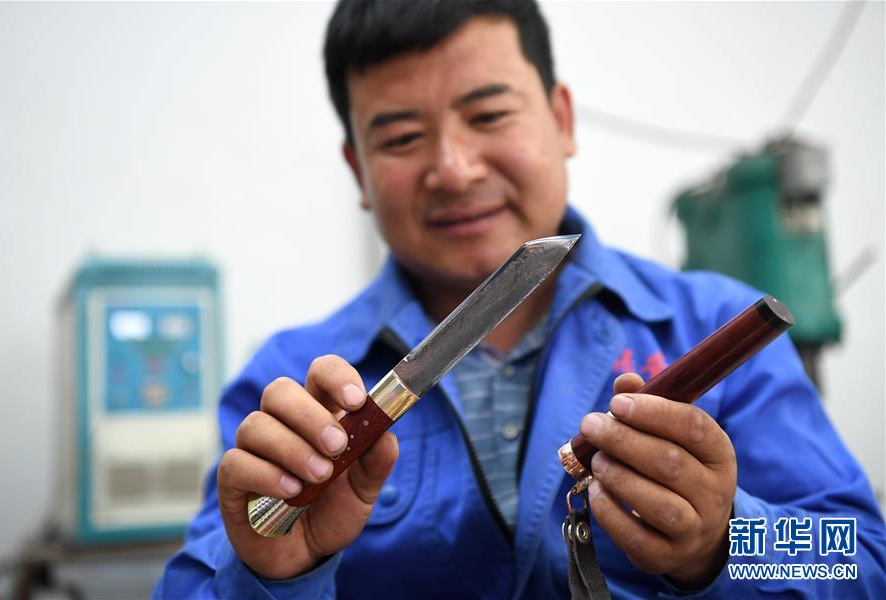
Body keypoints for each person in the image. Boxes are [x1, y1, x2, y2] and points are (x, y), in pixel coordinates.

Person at [154, 1, 886, 597]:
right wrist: (267, 577)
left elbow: (858, 561)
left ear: (562, 120)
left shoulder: (715, 326)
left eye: (489, 116)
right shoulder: (292, 381)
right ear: (358, 170)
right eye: (402, 137)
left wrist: (723, 543)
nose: (454, 168)